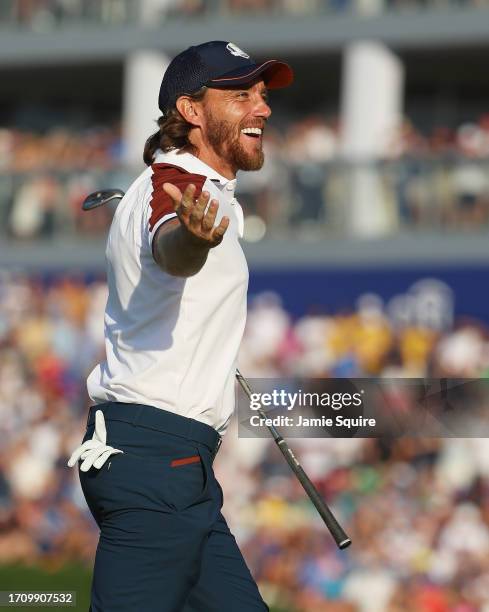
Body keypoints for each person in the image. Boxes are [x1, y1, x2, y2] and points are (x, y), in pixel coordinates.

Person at [67, 40, 293, 611]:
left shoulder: (190, 185)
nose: (262, 109)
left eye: (262, 95)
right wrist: (192, 239)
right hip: (155, 460)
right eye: (240, 95)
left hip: (177, 469)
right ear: (192, 112)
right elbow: (174, 246)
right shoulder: (176, 182)